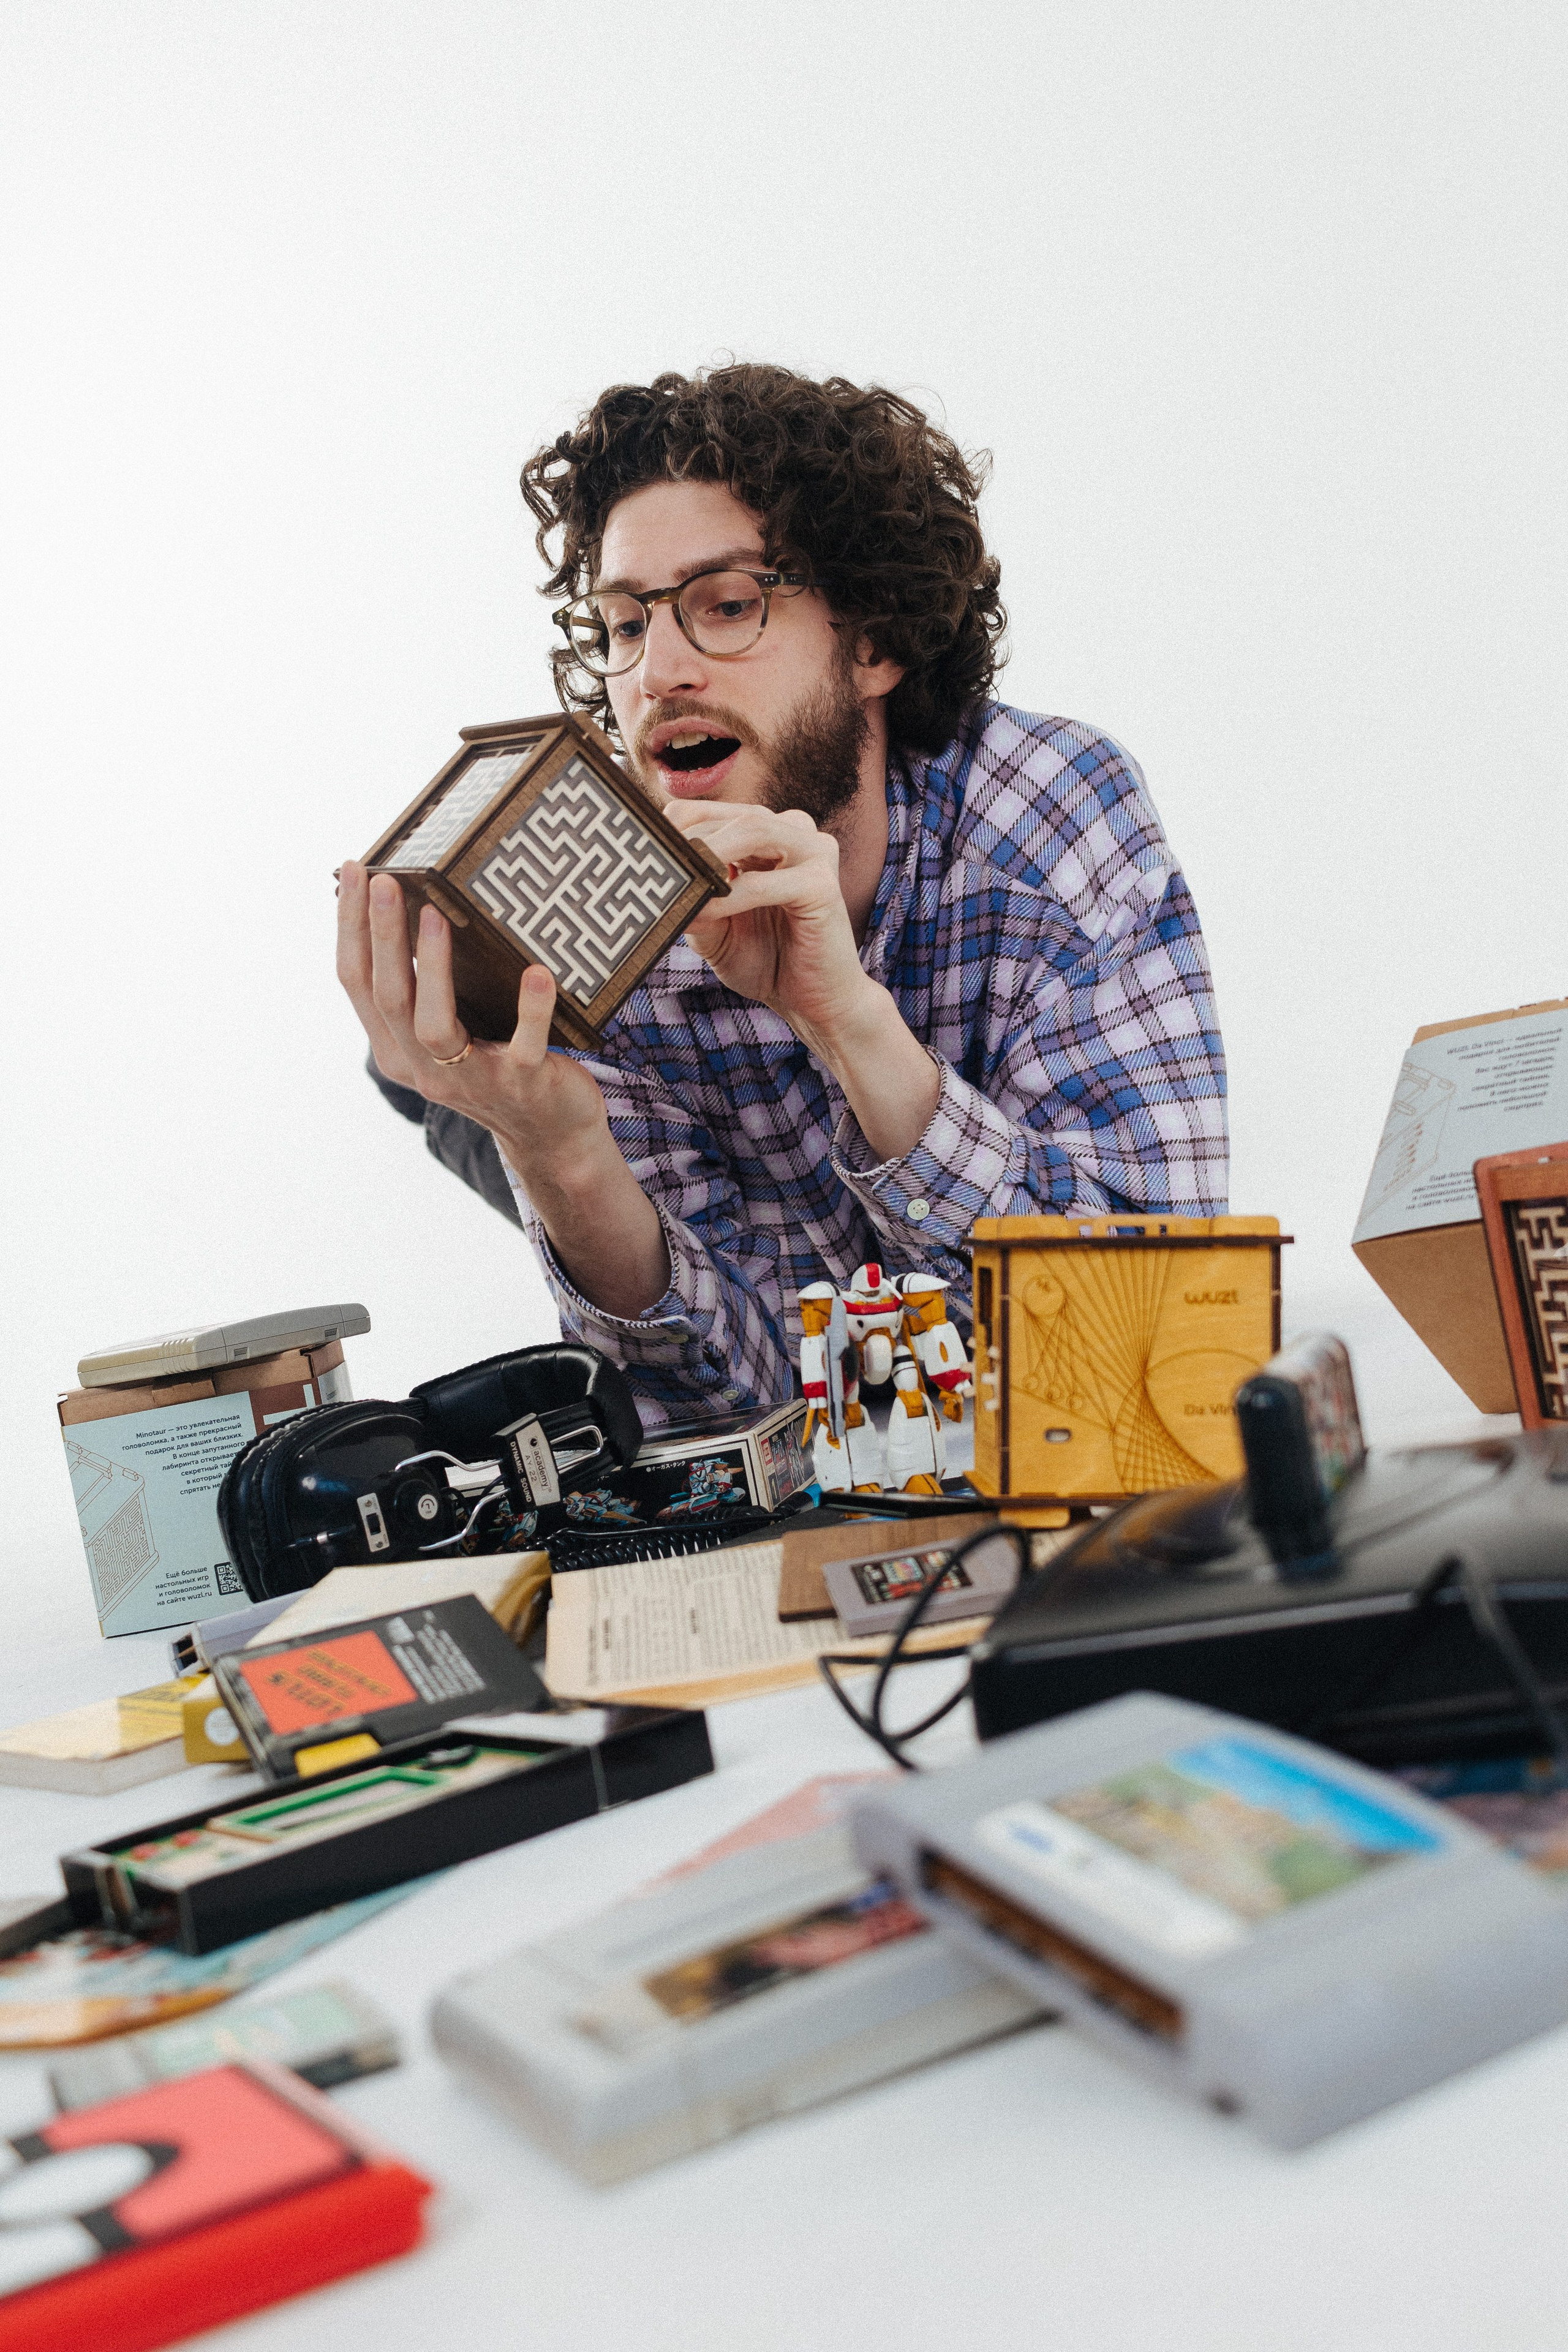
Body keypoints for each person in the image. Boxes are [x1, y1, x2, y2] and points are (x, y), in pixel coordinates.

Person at [337, 365, 1227, 1422]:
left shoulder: (1046, 814)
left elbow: (1156, 1346)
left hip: (938, 1205)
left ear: (876, 641)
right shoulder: (606, 922)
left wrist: (846, 1020)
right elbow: (750, 1426)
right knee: (502, 1107)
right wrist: (561, 1158)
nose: (657, 670)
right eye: (623, 625)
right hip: (602, 1125)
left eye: (726, 605)